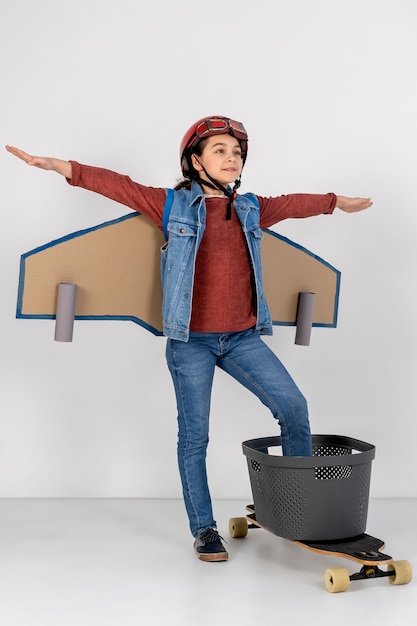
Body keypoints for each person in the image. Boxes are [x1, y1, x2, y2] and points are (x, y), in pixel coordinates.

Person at [6, 116, 372, 562]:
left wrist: (335, 202)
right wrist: (57, 166)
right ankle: (204, 529)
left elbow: (294, 203)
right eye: (219, 150)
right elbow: (115, 184)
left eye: (236, 153)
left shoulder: (251, 208)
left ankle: (299, 504)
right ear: (195, 161)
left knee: (294, 408)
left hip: (241, 338)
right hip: (190, 342)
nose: (231, 158)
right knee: (195, 437)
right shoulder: (172, 206)